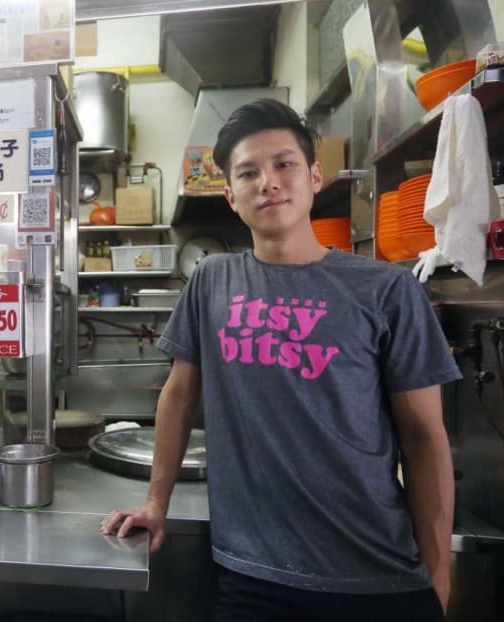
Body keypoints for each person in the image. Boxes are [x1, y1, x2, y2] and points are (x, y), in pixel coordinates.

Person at [101, 99, 460, 622]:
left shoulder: (387, 289)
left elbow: (425, 436)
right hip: (252, 576)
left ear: (315, 176)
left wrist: (438, 573)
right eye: (248, 172)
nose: (267, 182)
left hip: (376, 573)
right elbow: (179, 394)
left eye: (284, 164)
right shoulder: (211, 280)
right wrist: (158, 501)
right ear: (230, 195)